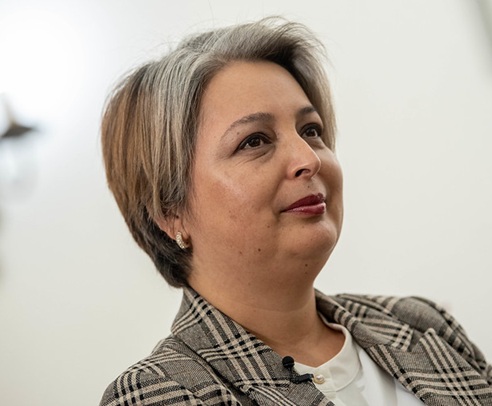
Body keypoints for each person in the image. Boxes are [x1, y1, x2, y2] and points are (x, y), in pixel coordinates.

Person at [99, 17, 492, 406]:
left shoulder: (420, 324)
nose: (309, 159)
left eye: (311, 130)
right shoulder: (158, 394)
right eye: (254, 141)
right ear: (170, 211)